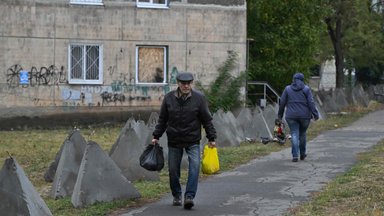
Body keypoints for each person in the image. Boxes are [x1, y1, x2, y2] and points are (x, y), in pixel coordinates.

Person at [151, 71, 216, 210]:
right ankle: (176, 195)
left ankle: (189, 197)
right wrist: (156, 136)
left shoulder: (199, 98)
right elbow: (163, 119)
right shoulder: (169, 98)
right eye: (183, 83)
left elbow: (207, 119)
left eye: (188, 83)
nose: (186, 86)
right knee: (173, 170)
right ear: (178, 84)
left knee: (194, 167)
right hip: (174, 139)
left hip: (192, 139)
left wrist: (211, 137)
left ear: (191, 83)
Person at [278, 72, 319, 162]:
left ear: (293, 79)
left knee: (294, 133)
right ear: (302, 80)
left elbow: (282, 103)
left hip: (291, 116)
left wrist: (280, 115)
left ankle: (295, 155)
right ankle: (303, 154)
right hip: (305, 117)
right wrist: (315, 114)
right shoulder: (306, 89)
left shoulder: (287, 89)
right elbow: (311, 103)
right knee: (302, 133)